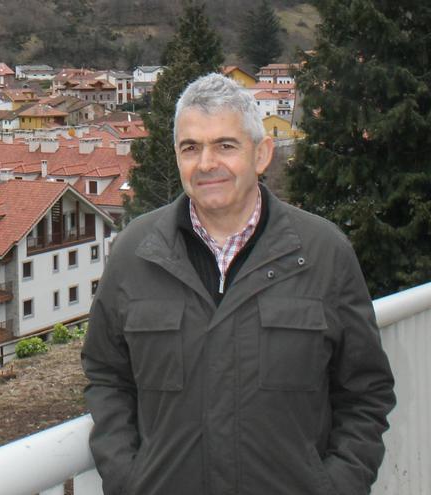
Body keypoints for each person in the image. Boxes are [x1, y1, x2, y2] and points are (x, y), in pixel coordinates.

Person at [82, 73, 395, 494]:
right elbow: (107, 376)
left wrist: (335, 486)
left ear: (262, 154)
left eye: (225, 145)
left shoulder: (324, 253)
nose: (207, 162)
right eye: (190, 147)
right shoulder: (134, 253)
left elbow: (365, 392)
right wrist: (128, 480)